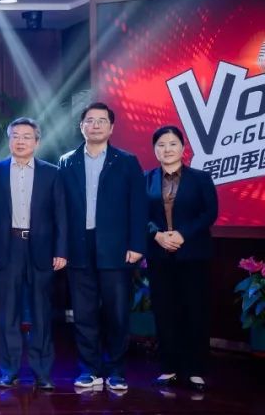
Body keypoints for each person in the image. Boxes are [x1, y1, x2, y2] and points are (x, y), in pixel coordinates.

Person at [58, 102, 146, 392]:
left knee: (117, 312)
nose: (95, 125)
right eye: (89, 120)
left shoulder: (127, 161)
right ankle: (89, 370)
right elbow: (60, 208)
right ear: (81, 126)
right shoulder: (67, 161)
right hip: (78, 247)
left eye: (101, 121)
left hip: (116, 247)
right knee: (83, 313)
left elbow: (138, 206)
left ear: (111, 127)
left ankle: (117, 370)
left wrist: (137, 244)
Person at [0, 117, 67, 390]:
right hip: (7, 247)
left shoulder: (52, 173)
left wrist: (61, 250)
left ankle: (42, 373)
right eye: (15, 136)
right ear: (9, 141)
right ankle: (9, 371)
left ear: (37, 142)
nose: (20, 141)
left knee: (42, 312)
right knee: (8, 312)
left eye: (27, 137)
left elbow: (61, 215)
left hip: (42, 249)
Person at [146, 125, 217, 391]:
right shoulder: (146, 179)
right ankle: (169, 367)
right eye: (161, 145)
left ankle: (196, 369)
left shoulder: (200, 178)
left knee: (195, 310)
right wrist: (157, 235)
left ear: (183, 148)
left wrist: (182, 234)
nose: (167, 149)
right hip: (159, 255)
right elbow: (139, 214)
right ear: (155, 149)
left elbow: (209, 213)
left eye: (173, 144)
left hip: (193, 254)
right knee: (165, 311)